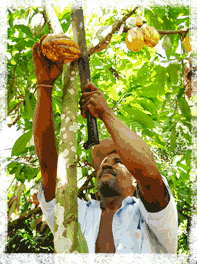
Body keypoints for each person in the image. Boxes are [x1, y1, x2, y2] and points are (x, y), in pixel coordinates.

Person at [32, 36, 178, 254]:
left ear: (134, 181)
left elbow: (150, 175)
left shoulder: (153, 217)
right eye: (104, 161)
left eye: (118, 160)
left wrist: (106, 113)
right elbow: (48, 169)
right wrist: (44, 85)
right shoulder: (75, 213)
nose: (107, 163)